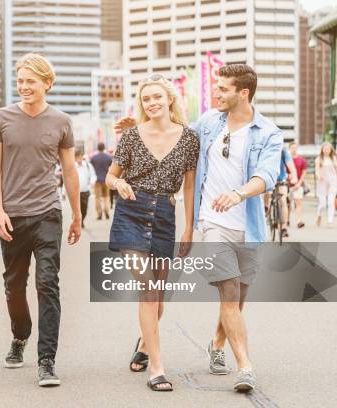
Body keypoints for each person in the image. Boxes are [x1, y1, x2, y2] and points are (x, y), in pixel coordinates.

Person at [116, 64, 282, 393]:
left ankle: (216, 344)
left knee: (237, 299)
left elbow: (268, 175)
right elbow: (170, 134)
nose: (215, 93)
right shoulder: (207, 124)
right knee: (229, 292)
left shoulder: (268, 133)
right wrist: (139, 125)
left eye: (223, 89)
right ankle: (245, 367)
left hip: (247, 225)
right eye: (216, 87)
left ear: (243, 93)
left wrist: (239, 193)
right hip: (213, 222)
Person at [0, 53, 81, 387]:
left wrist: (77, 215)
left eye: (31, 81)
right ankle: (20, 335)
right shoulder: (1, 117)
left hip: (47, 213)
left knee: (47, 283)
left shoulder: (61, 121)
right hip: (12, 214)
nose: (24, 86)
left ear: (47, 84)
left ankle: (47, 361)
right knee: (14, 285)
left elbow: (69, 169)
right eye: (21, 81)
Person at [107, 74, 199, 392]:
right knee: (147, 290)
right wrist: (118, 183)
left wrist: (189, 228)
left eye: (157, 97)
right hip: (131, 212)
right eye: (147, 99)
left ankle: (145, 345)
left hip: (164, 215)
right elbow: (110, 175)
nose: (152, 103)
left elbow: (189, 187)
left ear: (169, 99)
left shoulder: (189, 139)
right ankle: (157, 369)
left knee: (159, 297)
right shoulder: (132, 137)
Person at [315, 142, 337, 227]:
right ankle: (319, 215)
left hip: (332, 182)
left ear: (330, 150)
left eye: (328, 149)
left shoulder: (334, 158)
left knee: (331, 201)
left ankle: (330, 221)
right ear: (322, 150)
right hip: (322, 182)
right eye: (325, 149)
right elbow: (317, 170)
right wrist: (319, 176)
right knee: (323, 203)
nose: (326, 151)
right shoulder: (318, 159)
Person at [90, 142, 113, 220]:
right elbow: (112, 168)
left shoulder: (93, 158)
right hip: (106, 179)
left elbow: (91, 169)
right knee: (106, 197)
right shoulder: (108, 157)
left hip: (97, 180)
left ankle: (99, 213)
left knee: (98, 198)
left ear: (98, 148)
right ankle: (106, 211)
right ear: (104, 148)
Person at [75, 150, 96, 228]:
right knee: (77, 209)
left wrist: (92, 181)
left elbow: (93, 175)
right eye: (77, 157)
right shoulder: (73, 166)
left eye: (80, 156)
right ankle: (78, 222)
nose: (79, 158)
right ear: (75, 158)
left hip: (85, 191)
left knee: (84, 209)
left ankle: (82, 220)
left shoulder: (88, 165)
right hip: (76, 192)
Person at [288, 142, 307, 228]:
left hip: (298, 185)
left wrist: (299, 183)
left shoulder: (301, 159)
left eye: (295, 148)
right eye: (292, 148)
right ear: (289, 149)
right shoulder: (287, 160)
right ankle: (287, 220)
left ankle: (299, 220)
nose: (294, 149)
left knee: (299, 203)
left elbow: (304, 172)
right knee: (288, 203)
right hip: (287, 185)